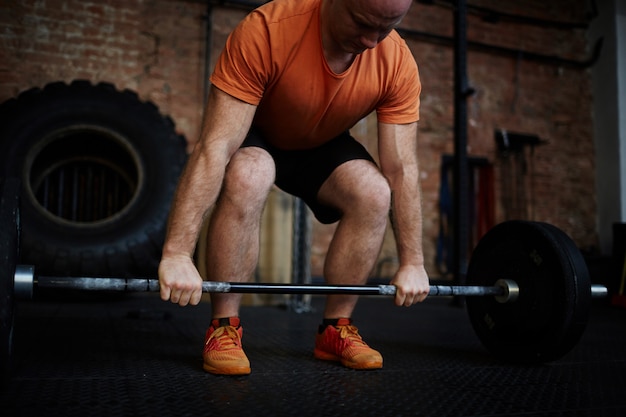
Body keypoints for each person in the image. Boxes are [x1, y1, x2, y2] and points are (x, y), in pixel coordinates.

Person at [158, 0, 430, 376]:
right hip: (259, 131)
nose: (371, 41)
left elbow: (401, 168)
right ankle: (224, 327)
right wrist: (176, 252)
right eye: (362, 23)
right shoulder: (268, 31)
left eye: (385, 28)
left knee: (374, 191)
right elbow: (214, 147)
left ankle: (335, 329)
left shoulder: (396, 62)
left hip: (321, 146)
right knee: (249, 172)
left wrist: (413, 262)